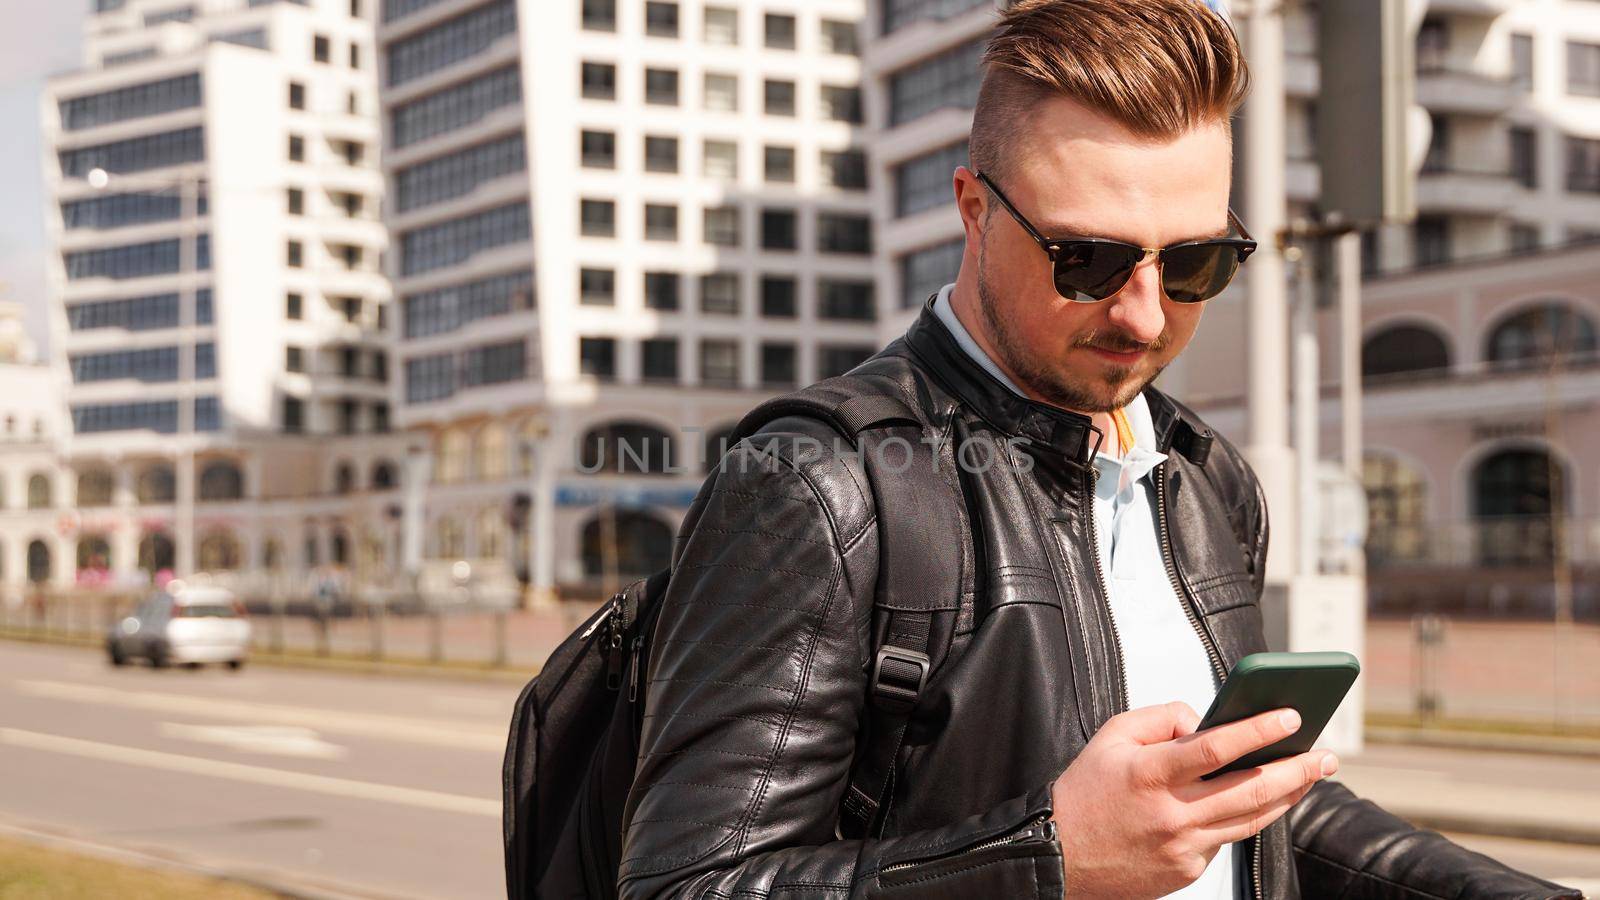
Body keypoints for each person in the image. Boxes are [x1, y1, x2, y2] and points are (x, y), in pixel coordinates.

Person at [617, 1, 1582, 897]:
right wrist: (1047, 858)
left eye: (1197, 263)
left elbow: (1233, 810)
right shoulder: (817, 484)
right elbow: (688, 883)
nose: (1145, 313)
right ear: (974, 209)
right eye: (1088, 259)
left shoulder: (1205, 476)